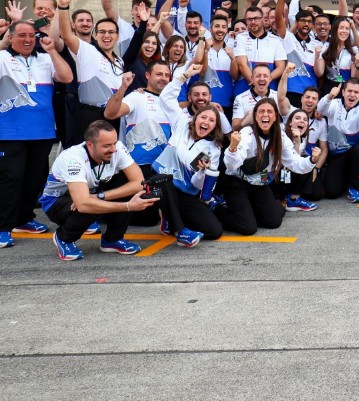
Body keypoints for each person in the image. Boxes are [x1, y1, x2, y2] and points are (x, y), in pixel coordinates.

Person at [0, 25, 73, 249]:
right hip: (9, 132)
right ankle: (3, 227)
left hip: (42, 132)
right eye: (21, 35)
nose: (28, 39)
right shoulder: (2, 57)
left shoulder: (44, 58)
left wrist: (52, 51)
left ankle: (23, 219)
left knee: (34, 180)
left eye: (32, 35)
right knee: (10, 180)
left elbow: (67, 76)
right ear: (10, 38)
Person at [39, 121, 156, 261]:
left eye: (114, 142)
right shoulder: (72, 159)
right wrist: (128, 206)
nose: (113, 149)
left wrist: (99, 196)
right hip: (57, 201)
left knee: (126, 184)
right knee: (88, 207)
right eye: (106, 146)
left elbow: (139, 182)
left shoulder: (117, 148)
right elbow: (82, 204)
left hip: (90, 192)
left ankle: (112, 240)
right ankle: (64, 238)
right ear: (90, 145)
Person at [151, 63, 227, 245]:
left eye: (211, 120)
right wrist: (183, 76)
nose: (206, 122)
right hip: (160, 182)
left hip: (185, 192)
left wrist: (201, 172)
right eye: (203, 117)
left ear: (215, 125)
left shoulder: (213, 149)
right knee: (164, 180)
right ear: (196, 118)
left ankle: (171, 217)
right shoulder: (182, 123)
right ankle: (180, 231)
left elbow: (197, 184)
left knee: (214, 231)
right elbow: (165, 98)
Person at [220, 98, 320, 235]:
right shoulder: (246, 133)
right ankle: (217, 208)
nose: (265, 115)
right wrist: (232, 148)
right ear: (255, 116)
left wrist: (312, 160)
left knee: (274, 221)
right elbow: (231, 165)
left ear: (275, 116)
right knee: (248, 228)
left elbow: (294, 162)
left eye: (269, 111)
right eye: (261, 111)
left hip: (259, 184)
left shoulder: (280, 135)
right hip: (237, 183)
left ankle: (246, 209)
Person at [56, 0, 126, 146]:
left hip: (113, 116)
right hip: (89, 116)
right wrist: (63, 7)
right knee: (87, 159)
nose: (106, 35)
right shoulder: (87, 51)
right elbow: (66, 35)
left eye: (111, 32)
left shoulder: (119, 61)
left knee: (108, 160)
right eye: (101, 32)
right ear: (95, 34)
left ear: (117, 36)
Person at [318, 79, 359, 203]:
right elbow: (321, 109)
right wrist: (330, 95)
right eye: (349, 91)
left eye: (356, 92)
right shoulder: (334, 103)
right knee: (331, 192)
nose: (352, 95)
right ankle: (344, 180)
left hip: (354, 152)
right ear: (343, 92)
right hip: (337, 154)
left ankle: (354, 187)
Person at [233, 6, 286, 96]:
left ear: (263, 19)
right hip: (243, 90)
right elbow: (241, 64)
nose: (253, 22)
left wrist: (264, 82)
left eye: (256, 18)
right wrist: (256, 84)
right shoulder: (240, 37)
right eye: (249, 19)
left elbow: (281, 67)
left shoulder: (275, 40)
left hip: (269, 91)